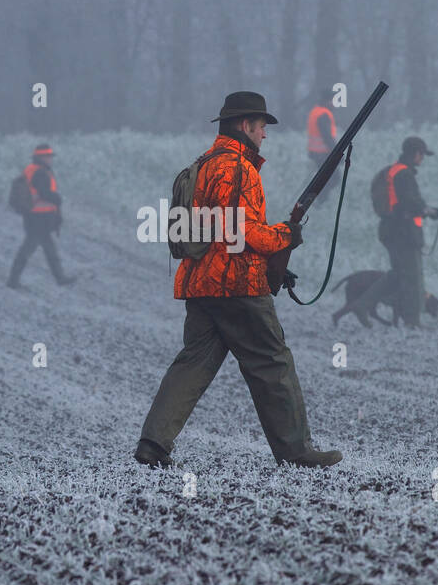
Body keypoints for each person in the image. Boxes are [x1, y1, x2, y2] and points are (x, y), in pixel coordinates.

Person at [134, 90, 343, 469]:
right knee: (272, 362)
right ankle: (296, 452)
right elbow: (247, 232)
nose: (265, 135)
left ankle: (153, 443)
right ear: (246, 125)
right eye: (262, 127)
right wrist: (286, 235)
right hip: (236, 286)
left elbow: (215, 232)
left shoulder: (202, 165)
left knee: (193, 364)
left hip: (200, 283)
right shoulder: (239, 169)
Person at [344, 136, 438, 328]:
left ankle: (363, 304)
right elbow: (410, 203)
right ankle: (412, 322)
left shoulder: (393, 171)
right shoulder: (404, 174)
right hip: (403, 233)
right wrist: (430, 211)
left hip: (392, 230)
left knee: (397, 274)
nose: (422, 159)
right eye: (422, 154)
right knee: (412, 277)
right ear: (415, 153)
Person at [7, 143, 75, 288]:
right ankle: (13, 280)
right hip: (38, 218)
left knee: (49, 248)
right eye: (48, 156)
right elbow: (44, 193)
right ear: (41, 157)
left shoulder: (33, 170)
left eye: (50, 156)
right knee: (28, 249)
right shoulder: (40, 173)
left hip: (35, 217)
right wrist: (57, 198)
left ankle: (60, 277)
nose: (50, 159)